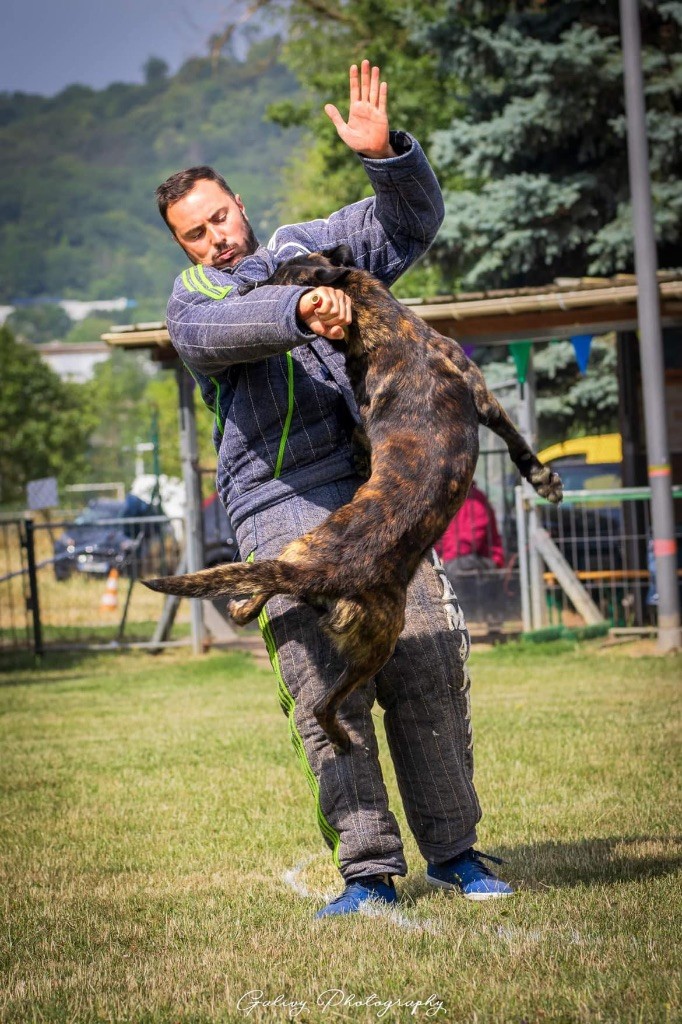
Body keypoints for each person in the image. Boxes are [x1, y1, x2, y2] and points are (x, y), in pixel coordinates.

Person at [155, 60, 513, 917]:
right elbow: (219, 330)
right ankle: (368, 874)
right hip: (276, 500)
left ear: (239, 202)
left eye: (219, 218)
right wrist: (300, 310)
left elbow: (412, 223)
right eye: (194, 235)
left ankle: (457, 854)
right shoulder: (193, 298)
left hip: (372, 488)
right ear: (183, 248)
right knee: (322, 687)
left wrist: (388, 158)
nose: (216, 241)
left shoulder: (304, 245)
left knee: (424, 663)